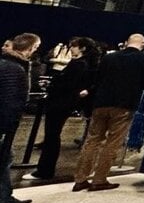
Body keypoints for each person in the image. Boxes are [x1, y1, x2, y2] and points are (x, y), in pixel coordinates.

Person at [72, 33, 144, 193]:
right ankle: (99, 179)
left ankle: (80, 179)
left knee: (92, 140)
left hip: (101, 103)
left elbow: (98, 78)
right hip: (124, 105)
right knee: (112, 142)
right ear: (143, 44)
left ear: (126, 42)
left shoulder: (109, 57)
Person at [23, 37, 99, 181]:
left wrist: (51, 85)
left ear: (82, 48)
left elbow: (66, 85)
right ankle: (45, 169)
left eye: (74, 46)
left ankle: (45, 170)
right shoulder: (85, 64)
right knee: (52, 136)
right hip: (66, 103)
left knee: (51, 136)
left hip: (59, 103)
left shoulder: (78, 64)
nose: (71, 49)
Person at [0, 33, 41, 203]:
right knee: (3, 157)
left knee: (5, 157)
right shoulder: (15, 68)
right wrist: (8, 125)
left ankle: (4, 196)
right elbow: (11, 100)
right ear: (30, 48)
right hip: (4, 121)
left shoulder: (8, 64)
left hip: (5, 120)